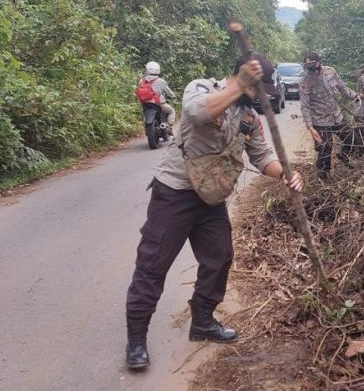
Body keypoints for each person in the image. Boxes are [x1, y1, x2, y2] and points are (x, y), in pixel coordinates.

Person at [124, 55, 303, 370]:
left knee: (219, 258)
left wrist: (284, 174)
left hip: (212, 198)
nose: (262, 95)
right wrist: (240, 86)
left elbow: (261, 155)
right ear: (242, 77)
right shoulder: (203, 87)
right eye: (258, 88)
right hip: (175, 192)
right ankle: (136, 339)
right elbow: (196, 113)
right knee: (153, 265)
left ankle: (203, 321)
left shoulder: (248, 117)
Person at [299, 51, 364, 179]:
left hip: (337, 116)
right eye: (308, 67)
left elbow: (343, 88)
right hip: (320, 121)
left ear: (320, 62)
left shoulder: (331, 72)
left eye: (313, 65)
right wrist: (311, 128)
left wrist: (358, 96)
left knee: (353, 139)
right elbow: (305, 106)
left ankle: (343, 155)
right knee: (325, 150)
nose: (312, 69)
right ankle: (323, 178)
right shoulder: (304, 81)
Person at [140, 61, 176, 130]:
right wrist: (173, 96)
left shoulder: (142, 81)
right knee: (171, 111)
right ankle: (169, 126)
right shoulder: (161, 81)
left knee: (145, 113)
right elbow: (169, 92)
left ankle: (146, 126)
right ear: (158, 70)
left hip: (146, 103)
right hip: (158, 103)